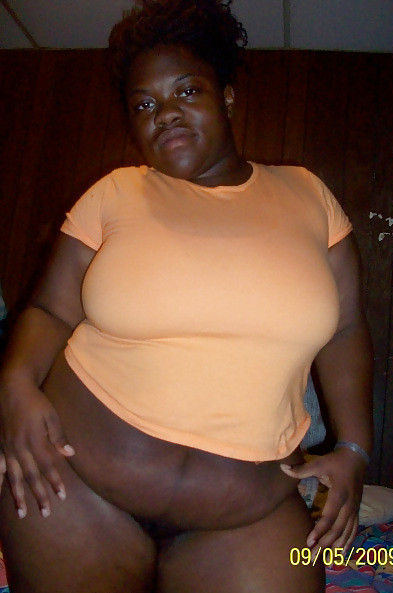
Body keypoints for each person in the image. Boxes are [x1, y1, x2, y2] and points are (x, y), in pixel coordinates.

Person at [0, 1, 373, 591]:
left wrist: (355, 447)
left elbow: (347, 328)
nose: (164, 113)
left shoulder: (308, 195)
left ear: (227, 97)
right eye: (144, 104)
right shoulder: (115, 193)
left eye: (187, 91)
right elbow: (49, 310)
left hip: (247, 513)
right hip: (73, 483)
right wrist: (15, 388)